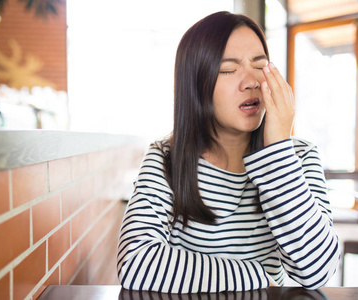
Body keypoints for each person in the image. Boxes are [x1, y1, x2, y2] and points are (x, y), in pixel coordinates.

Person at [117, 11, 340, 293]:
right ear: (196, 85)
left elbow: (318, 271)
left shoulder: (299, 156)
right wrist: (254, 274)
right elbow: (136, 262)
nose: (252, 82)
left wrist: (279, 155)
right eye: (228, 69)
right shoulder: (166, 158)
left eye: (260, 66)